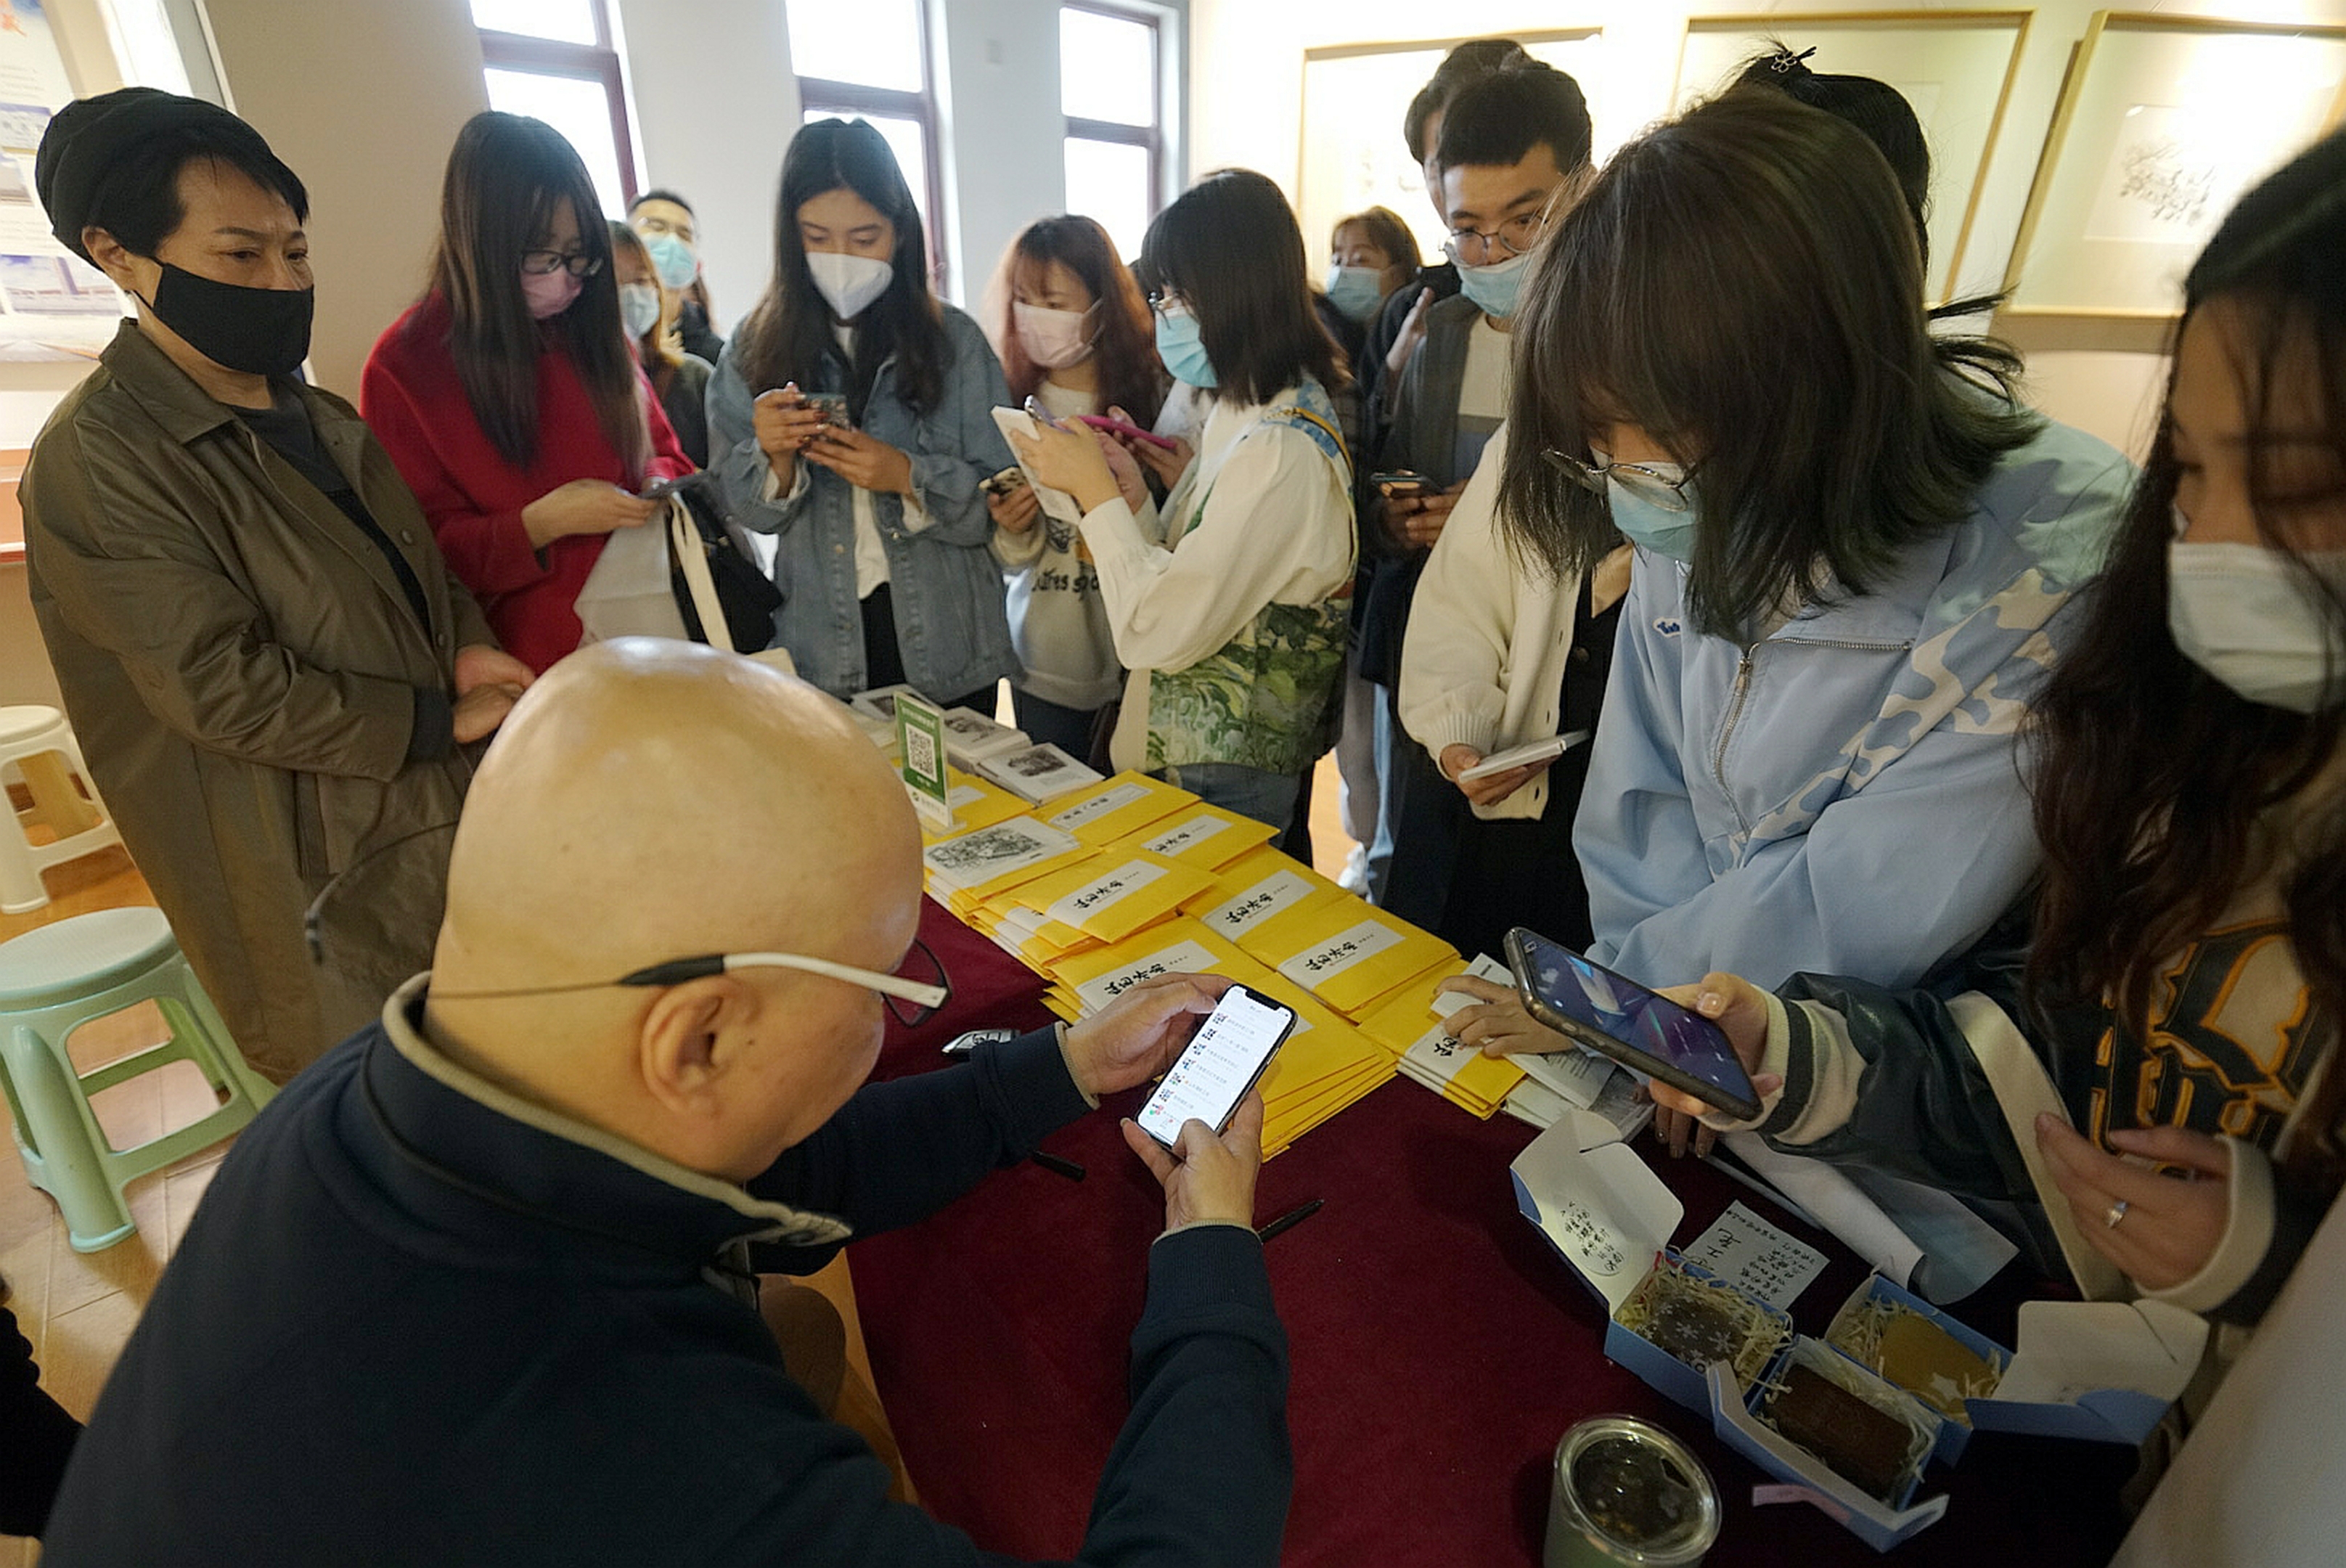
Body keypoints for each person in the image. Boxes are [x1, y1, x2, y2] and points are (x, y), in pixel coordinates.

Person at [38, 640, 1290, 1567]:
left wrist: (1060, 1068)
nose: (897, 1018)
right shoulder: (630, 1454)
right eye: (883, 984)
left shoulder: (388, 1090)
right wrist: (1216, 1262)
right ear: (694, 1037)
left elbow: (771, 1166)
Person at [1640, 125, 2346, 1339]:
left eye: (2284, 485)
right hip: (2104, 1355)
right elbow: (2041, 1059)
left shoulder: (2028, 562)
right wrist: (1791, 1047)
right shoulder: (2193, 746)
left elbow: (1888, 883)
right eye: (2185, 470)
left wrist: (2275, 1267)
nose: (2212, 542)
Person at [1481, 89, 2134, 997]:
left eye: (1657, 424)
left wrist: (1675, 1006)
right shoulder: (1690, 483)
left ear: (1810, 386)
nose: (1629, 469)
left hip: (1875, 1063)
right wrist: (1645, 1003)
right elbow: (1642, 796)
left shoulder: (2052, 549)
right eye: (1598, 430)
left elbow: (1879, 893)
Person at [22, 88, 530, 1081]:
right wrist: (433, 722)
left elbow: (415, 570)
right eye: (238, 255)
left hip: (431, 812)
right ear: (116, 253)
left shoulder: (324, 417)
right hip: (303, 860)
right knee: (384, 1101)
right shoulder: (101, 459)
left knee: (495, 1076)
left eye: (294, 251)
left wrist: (465, 638)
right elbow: (218, 686)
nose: (281, 279)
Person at [1014, 171, 1354, 834]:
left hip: (1225, 780)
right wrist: (1134, 500)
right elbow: (1182, 566)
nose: (1161, 311)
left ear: (1232, 292)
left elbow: (1157, 630)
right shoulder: (1243, 408)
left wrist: (1093, 496)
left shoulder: (1281, 450)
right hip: (1190, 759)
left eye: (1174, 294)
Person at [1360, 63, 1602, 948]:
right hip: (1470, 739)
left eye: (1525, 221)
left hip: (1584, 774)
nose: (1494, 252)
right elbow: (1463, 593)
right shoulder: (1442, 329)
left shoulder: (1623, 353)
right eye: (1469, 230)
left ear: (1584, 189)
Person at [362, 112, 694, 674]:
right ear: (480, 241)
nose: (565, 278)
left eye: (578, 254)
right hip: (528, 674)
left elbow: (667, 452)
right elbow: (420, 556)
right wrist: (539, 525)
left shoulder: (599, 336)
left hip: (656, 637)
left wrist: (661, 482)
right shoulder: (406, 367)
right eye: (540, 254)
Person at [708, 118, 1016, 710]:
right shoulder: (754, 346)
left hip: (950, 637)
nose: (841, 257)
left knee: (966, 799)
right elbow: (746, 514)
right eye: (817, 237)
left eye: (866, 237)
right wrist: (771, 457)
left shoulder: (954, 343)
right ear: (789, 236)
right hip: (822, 643)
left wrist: (907, 476)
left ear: (901, 234)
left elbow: (1001, 502)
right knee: (849, 800)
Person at [984, 214, 1164, 756]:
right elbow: (1007, 559)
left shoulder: (1149, 401)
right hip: (1043, 662)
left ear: (1101, 308)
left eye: (1056, 303)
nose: (1037, 318)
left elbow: (1169, 538)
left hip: (1135, 656)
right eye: (1024, 299)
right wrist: (1013, 530)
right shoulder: (1009, 403)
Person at [1358, 38, 1531, 431]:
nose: (1468, 180)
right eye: (1446, 163)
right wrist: (1395, 379)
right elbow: (1364, 462)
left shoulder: (1607, 309)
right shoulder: (1407, 313)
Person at [610, 218, 714, 467]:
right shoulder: (572, 385)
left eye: (641, 281)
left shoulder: (693, 378)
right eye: (616, 285)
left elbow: (731, 480)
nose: (632, 295)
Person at [629, 186, 724, 365]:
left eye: (684, 234)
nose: (672, 241)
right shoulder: (602, 341)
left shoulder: (718, 357)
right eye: (657, 227)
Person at [1323, 206, 1418, 335]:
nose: (1343, 271)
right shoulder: (1323, 337)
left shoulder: (1418, 335)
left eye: (1360, 259)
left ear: (1397, 276)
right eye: (1337, 261)